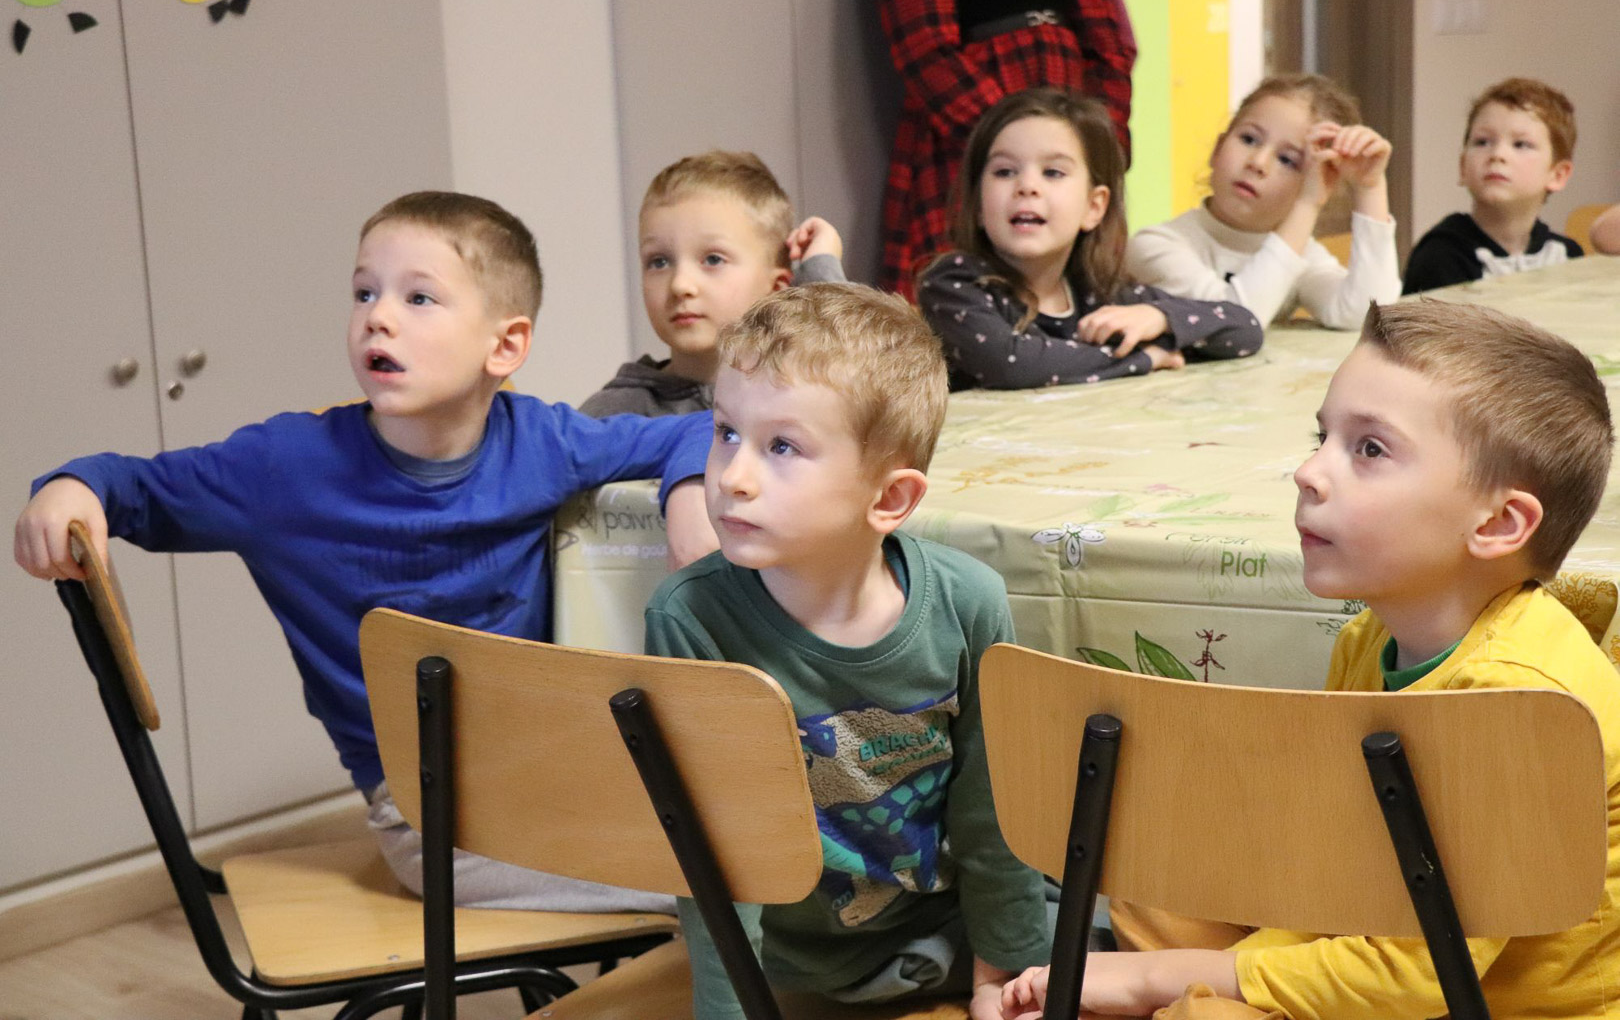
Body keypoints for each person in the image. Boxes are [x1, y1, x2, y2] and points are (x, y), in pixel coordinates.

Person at [14, 192, 719, 915]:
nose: (378, 316)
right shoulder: (286, 467)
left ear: (504, 347)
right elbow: (133, 487)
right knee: (723, 881)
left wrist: (689, 493)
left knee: (739, 819)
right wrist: (71, 485)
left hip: (554, 768)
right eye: (364, 293)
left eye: (418, 298)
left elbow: (701, 426)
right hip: (429, 818)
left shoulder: (542, 441)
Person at [1001, 298, 1620, 1019]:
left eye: (1370, 450)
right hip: (1385, 931)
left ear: (1498, 523)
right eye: (1322, 437)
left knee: (1200, 1010)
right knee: (1156, 868)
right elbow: (1343, 871)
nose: (1308, 472)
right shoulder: (1370, 639)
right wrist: (1192, 971)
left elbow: (1418, 973)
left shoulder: (1510, 696)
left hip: (1492, 1001)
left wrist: (1159, 980)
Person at [645, 283, 1051, 1019]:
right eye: (726, 431)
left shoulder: (968, 603)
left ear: (889, 499)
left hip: (945, 933)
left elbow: (993, 815)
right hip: (781, 966)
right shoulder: (689, 618)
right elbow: (712, 859)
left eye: (782, 447)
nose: (732, 477)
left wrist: (1003, 977)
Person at [917, 87, 1263, 391]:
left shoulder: (1096, 292)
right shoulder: (953, 282)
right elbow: (1010, 363)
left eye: (1053, 172)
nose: (1027, 186)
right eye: (1005, 171)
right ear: (978, 204)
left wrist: (1159, 317)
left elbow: (1245, 329)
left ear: (1094, 207)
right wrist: (1142, 359)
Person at [865, 0, 1135, 300]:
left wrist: (1102, 141)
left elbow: (1105, 38)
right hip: (971, 123)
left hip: (1069, 94)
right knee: (965, 298)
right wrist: (1013, 145)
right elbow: (925, 48)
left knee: (1089, 292)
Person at [580, 150, 846, 418]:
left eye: (713, 259)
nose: (680, 285)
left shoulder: (797, 396)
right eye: (659, 262)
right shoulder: (611, 418)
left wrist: (821, 269)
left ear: (777, 287)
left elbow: (852, 380)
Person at [1126, 73, 1400, 329]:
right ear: (1217, 149)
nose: (1258, 162)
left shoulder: (1301, 253)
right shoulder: (1155, 245)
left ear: (1319, 185)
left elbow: (1368, 315)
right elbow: (1235, 322)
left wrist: (1369, 187)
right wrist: (1306, 205)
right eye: (1248, 139)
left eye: (1287, 160)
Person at [1403, 77, 1582, 293]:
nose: (1497, 154)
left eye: (1520, 144)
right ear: (1463, 166)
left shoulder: (1567, 255)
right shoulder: (1440, 255)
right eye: (1482, 142)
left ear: (1558, 175)